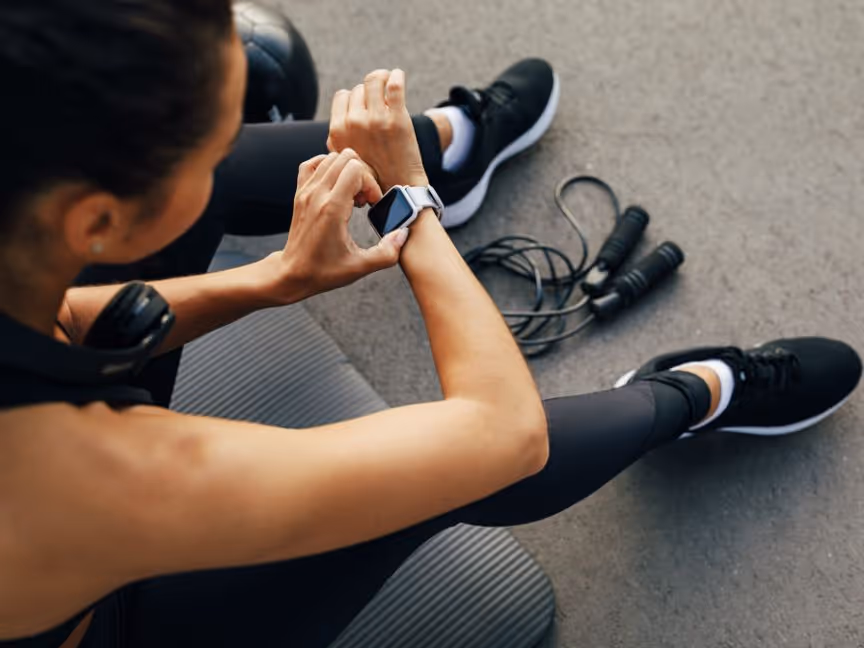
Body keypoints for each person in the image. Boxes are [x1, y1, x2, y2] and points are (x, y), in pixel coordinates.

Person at [0, 2, 859, 647]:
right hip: (119, 616)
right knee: (439, 473)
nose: (235, 138)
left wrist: (272, 279)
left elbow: (65, 317)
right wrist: (410, 207)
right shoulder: (105, 478)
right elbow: (503, 436)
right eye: (221, 136)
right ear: (97, 223)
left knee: (201, 182)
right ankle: (694, 395)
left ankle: (453, 150)